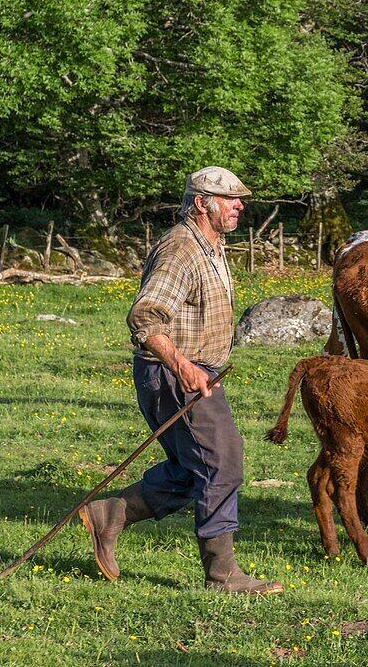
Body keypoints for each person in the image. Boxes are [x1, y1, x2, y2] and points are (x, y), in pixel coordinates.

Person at [80, 166, 282, 595]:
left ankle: (111, 514)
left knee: (197, 471)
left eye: (238, 199)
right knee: (222, 465)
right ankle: (222, 574)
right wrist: (184, 367)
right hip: (176, 375)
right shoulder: (181, 250)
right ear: (200, 202)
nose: (239, 205)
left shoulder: (211, 246)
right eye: (229, 199)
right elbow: (146, 316)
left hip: (196, 372)